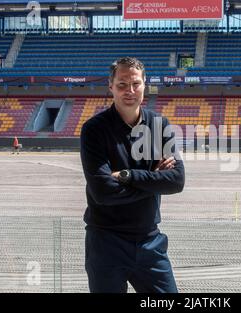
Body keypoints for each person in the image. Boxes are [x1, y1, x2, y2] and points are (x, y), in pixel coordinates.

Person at [80, 57, 185, 293]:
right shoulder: (94, 130)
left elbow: (177, 181)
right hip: (106, 242)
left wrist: (128, 175)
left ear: (145, 84)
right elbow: (103, 193)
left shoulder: (159, 125)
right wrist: (154, 180)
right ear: (110, 87)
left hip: (150, 241)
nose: (130, 90)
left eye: (135, 83)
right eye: (122, 84)